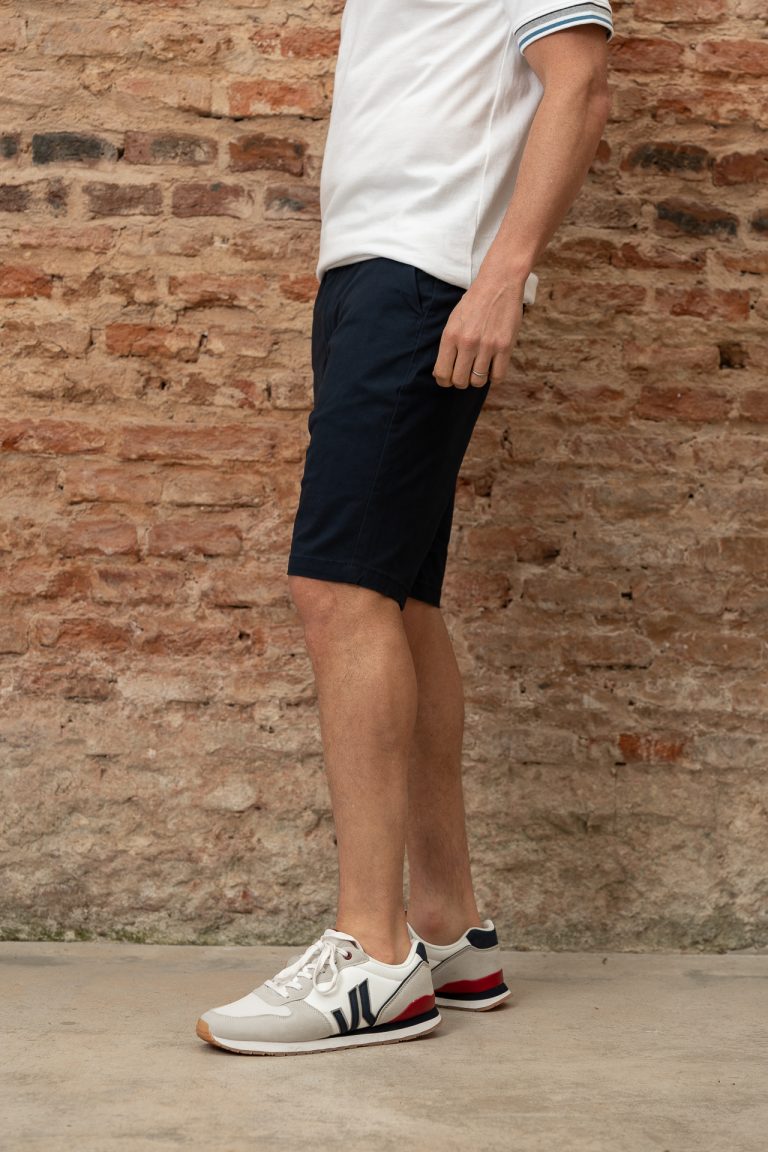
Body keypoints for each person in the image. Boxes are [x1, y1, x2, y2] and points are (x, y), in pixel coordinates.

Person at [197, 0, 613, 1055]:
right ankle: (446, 928)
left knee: (338, 587)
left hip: (427, 273)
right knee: (398, 597)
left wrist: (504, 275)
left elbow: (578, 82)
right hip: (369, 269)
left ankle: (372, 955)